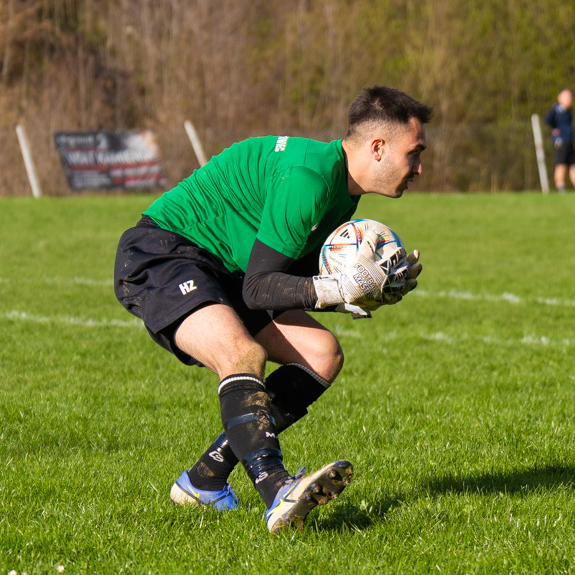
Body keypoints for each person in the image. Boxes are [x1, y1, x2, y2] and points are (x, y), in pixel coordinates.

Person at [113, 86, 430, 534]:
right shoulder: (309, 179)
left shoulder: (342, 192)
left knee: (321, 354)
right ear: (378, 148)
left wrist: (365, 288)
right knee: (243, 357)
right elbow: (262, 287)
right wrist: (336, 289)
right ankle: (277, 490)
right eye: (414, 153)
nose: (419, 167)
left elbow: (285, 283)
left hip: (229, 273)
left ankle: (204, 481)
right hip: (165, 253)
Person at [544, 89, 575, 194]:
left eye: (570, 97)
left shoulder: (569, 110)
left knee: (573, 164)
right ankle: (560, 186)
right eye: (567, 97)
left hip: (569, 140)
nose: (570, 99)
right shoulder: (557, 109)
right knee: (561, 163)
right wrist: (554, 128)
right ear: (560, 98)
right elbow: (547, 120)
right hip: (561, 141)